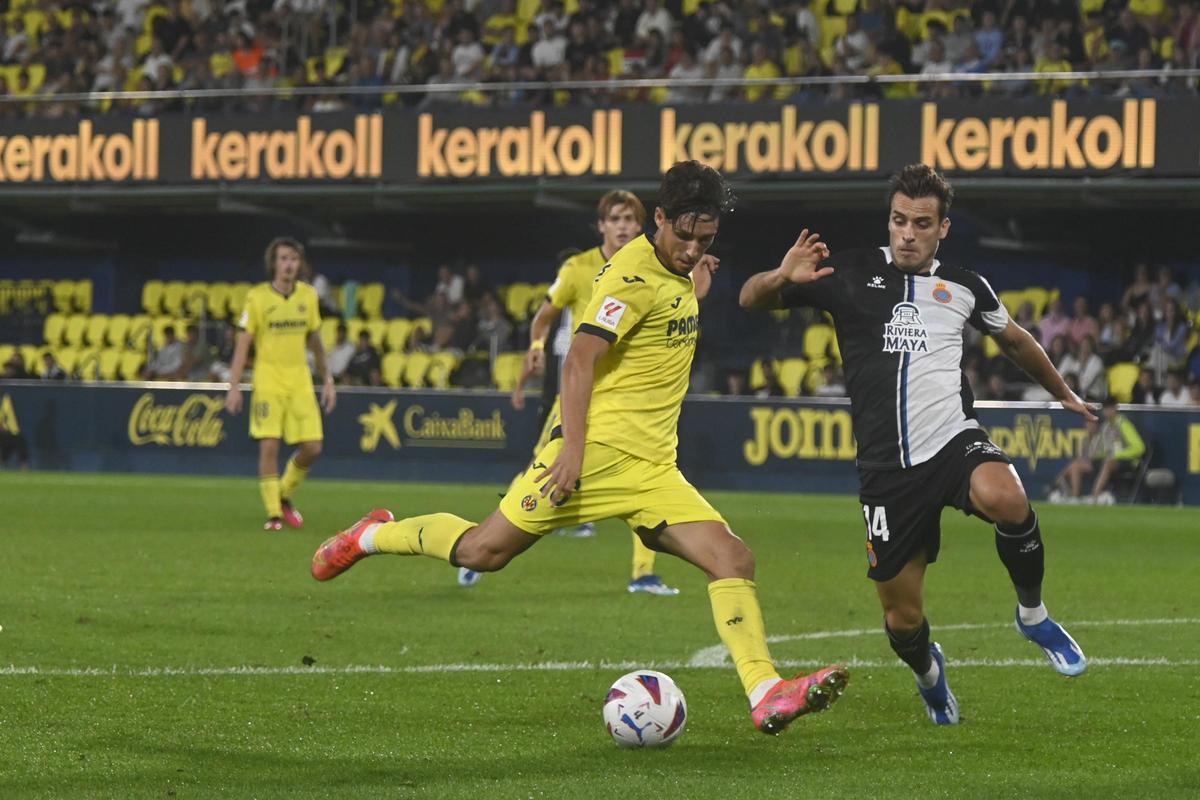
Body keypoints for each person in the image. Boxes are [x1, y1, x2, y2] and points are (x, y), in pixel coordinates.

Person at [312, 162, 849, 736]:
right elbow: (581, 360)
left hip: (653, 468)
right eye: (683, 235)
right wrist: (570, 448)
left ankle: (766, 690)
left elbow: (679, 310)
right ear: (658, 218)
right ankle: (370, 534)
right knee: (482, 552)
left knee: (733, 558)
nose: (692, 249)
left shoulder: (679, 271)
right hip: (593, 456)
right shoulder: (628, 276)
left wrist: (764, 276)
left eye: (705, 239)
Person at [738, 163, 1091, 726]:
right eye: (899, 220)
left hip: (952, 440)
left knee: (1009, 498)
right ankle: (930, 676)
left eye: (921, 223)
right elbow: (750, 299)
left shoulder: (966, 286)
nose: (906, 232)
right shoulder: (847, 272)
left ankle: (1033, 614)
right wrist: (781, 276)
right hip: (886, 470)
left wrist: (1066, 394)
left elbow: (1017, 342)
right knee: (903, 618)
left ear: (942, 229)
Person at [504, 190, 682, 596]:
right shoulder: (578, 268)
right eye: (616, 219)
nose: (624, 226)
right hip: (579, 386)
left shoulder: (654, 266)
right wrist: (534, 350)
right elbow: (544, 316)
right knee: (540, 466)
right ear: (601, 225)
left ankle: (643, 573)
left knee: (651, 476)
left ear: (642, 225)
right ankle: (487, 540)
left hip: (627, 394)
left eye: (630, 220)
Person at [225, 237, 337, 531]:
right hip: (268, 381)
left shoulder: (308, 296)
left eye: (294, 259)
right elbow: (243, 344)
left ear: (300, 264)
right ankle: (273, 514)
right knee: (269, 446)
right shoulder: (258, 297)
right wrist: (234, 385)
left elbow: (316, 342)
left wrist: (327, 379)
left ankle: (283, 494)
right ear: (273, 264)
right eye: (284, 259)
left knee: (313, 447)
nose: (289, 264)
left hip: (300, 380)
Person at [1054, 398, 1146, 504]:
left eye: (1109, 409)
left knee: (1109, 462)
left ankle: (1095, 496)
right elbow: (1103, 450)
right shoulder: (1105, 426)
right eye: (1105, 409)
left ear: (1115, 409)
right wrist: (1095, 456)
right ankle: (1075, 498)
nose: (1107, 412)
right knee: (1077, 465)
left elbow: (1139, 448)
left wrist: (1116, 455)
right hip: (1106, 460)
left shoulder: (1123, 424)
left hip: (1127, 461)